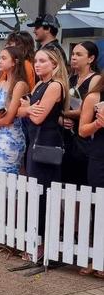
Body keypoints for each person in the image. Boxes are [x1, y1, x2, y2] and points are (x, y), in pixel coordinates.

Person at [18, 46, 70, 254]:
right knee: (36, 192)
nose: (38, 65)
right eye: (36, 61)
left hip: (46, 144)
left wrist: (28, 109)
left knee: (44, 193)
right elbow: (21, 110)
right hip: (35, 141)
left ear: (54, 64)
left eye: (43, 61)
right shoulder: (40, 83)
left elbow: (37, 116)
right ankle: (37, 240)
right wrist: (28, 108)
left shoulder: (56, 86)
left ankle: (45, 244)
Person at [62, 41, 100, 186]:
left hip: (85, 139)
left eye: (78, 54)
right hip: (67, 137)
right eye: (72, 54)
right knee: (67, 182)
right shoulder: (71, 79)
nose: (73, 58)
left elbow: (89, 110)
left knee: (81, 182)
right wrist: (62, 117)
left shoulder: (95, 79)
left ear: (91, 58)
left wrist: (66, 113)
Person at [0, 46, 28, 174]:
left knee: (8, 178)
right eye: (0, 58)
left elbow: (9, 118)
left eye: (4, 58)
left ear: (14, 62)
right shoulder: (0, 83)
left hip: (10, 138)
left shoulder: (20, 84)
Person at [78, 78, 104, 277]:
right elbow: (82, 130)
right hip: (99, 157)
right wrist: (97, 123)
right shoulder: (94, 97)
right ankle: (96, 258)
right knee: (97, 208)